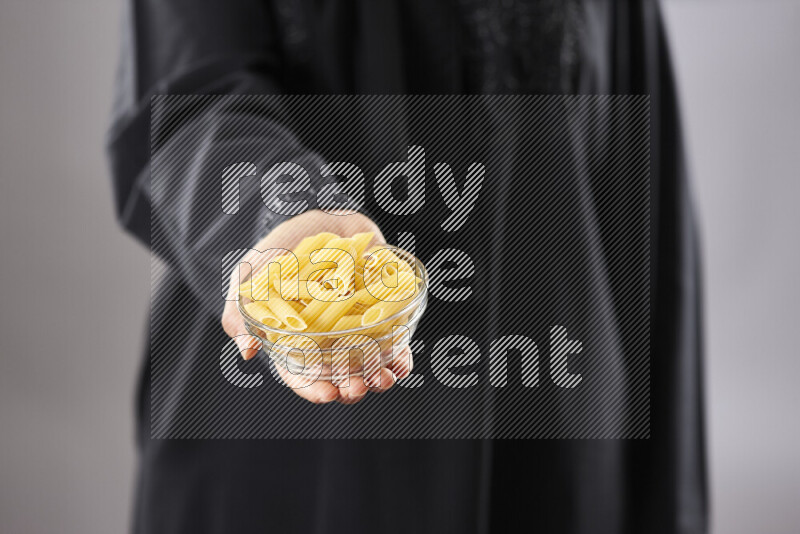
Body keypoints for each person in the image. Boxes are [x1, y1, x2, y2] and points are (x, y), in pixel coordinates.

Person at [107, 1, 706, 532]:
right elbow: (188, 98)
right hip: (291, 448)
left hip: (553, 445)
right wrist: (280, 225)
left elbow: (643, 205)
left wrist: (667, 504)